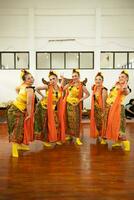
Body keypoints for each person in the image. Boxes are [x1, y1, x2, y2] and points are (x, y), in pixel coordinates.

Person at [7, 69, 35, 157]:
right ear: (25, 80)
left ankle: (19, 145)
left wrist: (20, 97)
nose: (31, 79)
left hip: (15, 108)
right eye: (28, 78)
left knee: (21, 128)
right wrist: (30, 114)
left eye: (31, 77)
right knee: (17, 129)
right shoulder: (29, 89)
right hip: (16, 110)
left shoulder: (23, 86)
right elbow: (29, 103)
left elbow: (16, 89)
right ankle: (15, 148)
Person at [34, 71, 65, 147]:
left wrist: (63, 78)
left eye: (54, 79)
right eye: (50, 79)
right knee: (45, 125)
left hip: (52, 109)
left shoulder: (59, 87)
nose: (52, 81)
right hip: (43, 108)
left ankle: (56, 138)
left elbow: (62, 83)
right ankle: (45, 140)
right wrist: (42, 96)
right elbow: (36, 89)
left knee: (56, 123)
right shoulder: (48, 86)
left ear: (57, 79)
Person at [61, 69, 90, 145]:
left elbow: (88, 94)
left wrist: (80, 100)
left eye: (75, 76)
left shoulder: (81, 85)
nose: (74, 77)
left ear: (79, 77)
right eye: (73, 76)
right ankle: (70, 135)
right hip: (67, 105)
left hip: (75, 105)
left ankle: (77, 138)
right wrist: (63, 80)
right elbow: (62, 89)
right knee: (68, 120)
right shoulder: (70, 84)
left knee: (76, 121)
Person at [106, 70, 131, 151]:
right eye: (119, 77)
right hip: (111, 108)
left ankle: (126, 142)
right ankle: (118, 141)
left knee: (119, 126)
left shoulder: (125, 87)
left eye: (123, 77)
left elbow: (126, 92)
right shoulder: (116, 86)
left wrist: (125, 85)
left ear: (126, 78)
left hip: (119, 109)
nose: (120, 78)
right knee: (113, 126)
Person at [90, 72, 108, 144]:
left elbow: (104, 102)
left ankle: (104, 138)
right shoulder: (95, 88)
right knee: (97, 124)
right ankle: (98, 135)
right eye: (96, 79)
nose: (97, 80)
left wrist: (103, 112)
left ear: (102, 81)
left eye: (99, 79)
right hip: (96, 110)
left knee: (103, 124)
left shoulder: (104, 90)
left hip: (102, 109)